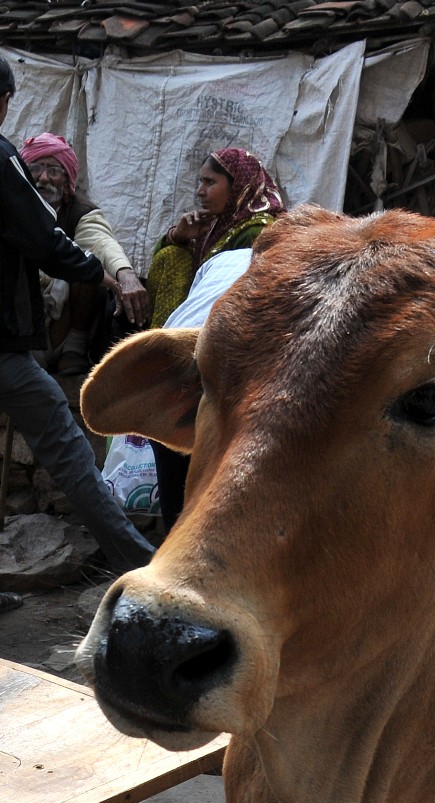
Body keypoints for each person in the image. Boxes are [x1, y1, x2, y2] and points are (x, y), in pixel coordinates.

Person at [0, 47, 155, 624]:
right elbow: (41, 238)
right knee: (70, 453)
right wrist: (99, 274)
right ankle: (146, 573)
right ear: (1, 102)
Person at [146, 148, 286, 531]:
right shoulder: (213, 227)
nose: (200, 191)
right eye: (200, 182)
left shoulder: (261, 232)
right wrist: (178, 236)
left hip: (238, 356)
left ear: (238, 185)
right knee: (169, 258)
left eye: (210, 182)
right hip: (195, 350)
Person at [18, 132, 150, 372]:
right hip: (23, 321)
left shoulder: (79, 210)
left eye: (54, 171)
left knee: (89, 267)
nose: (43, 177)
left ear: (67, 182)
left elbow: (101, 241)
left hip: (64, 323)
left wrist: (125, 274)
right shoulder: (13, 206)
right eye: (35, 168)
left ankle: (74, 349)